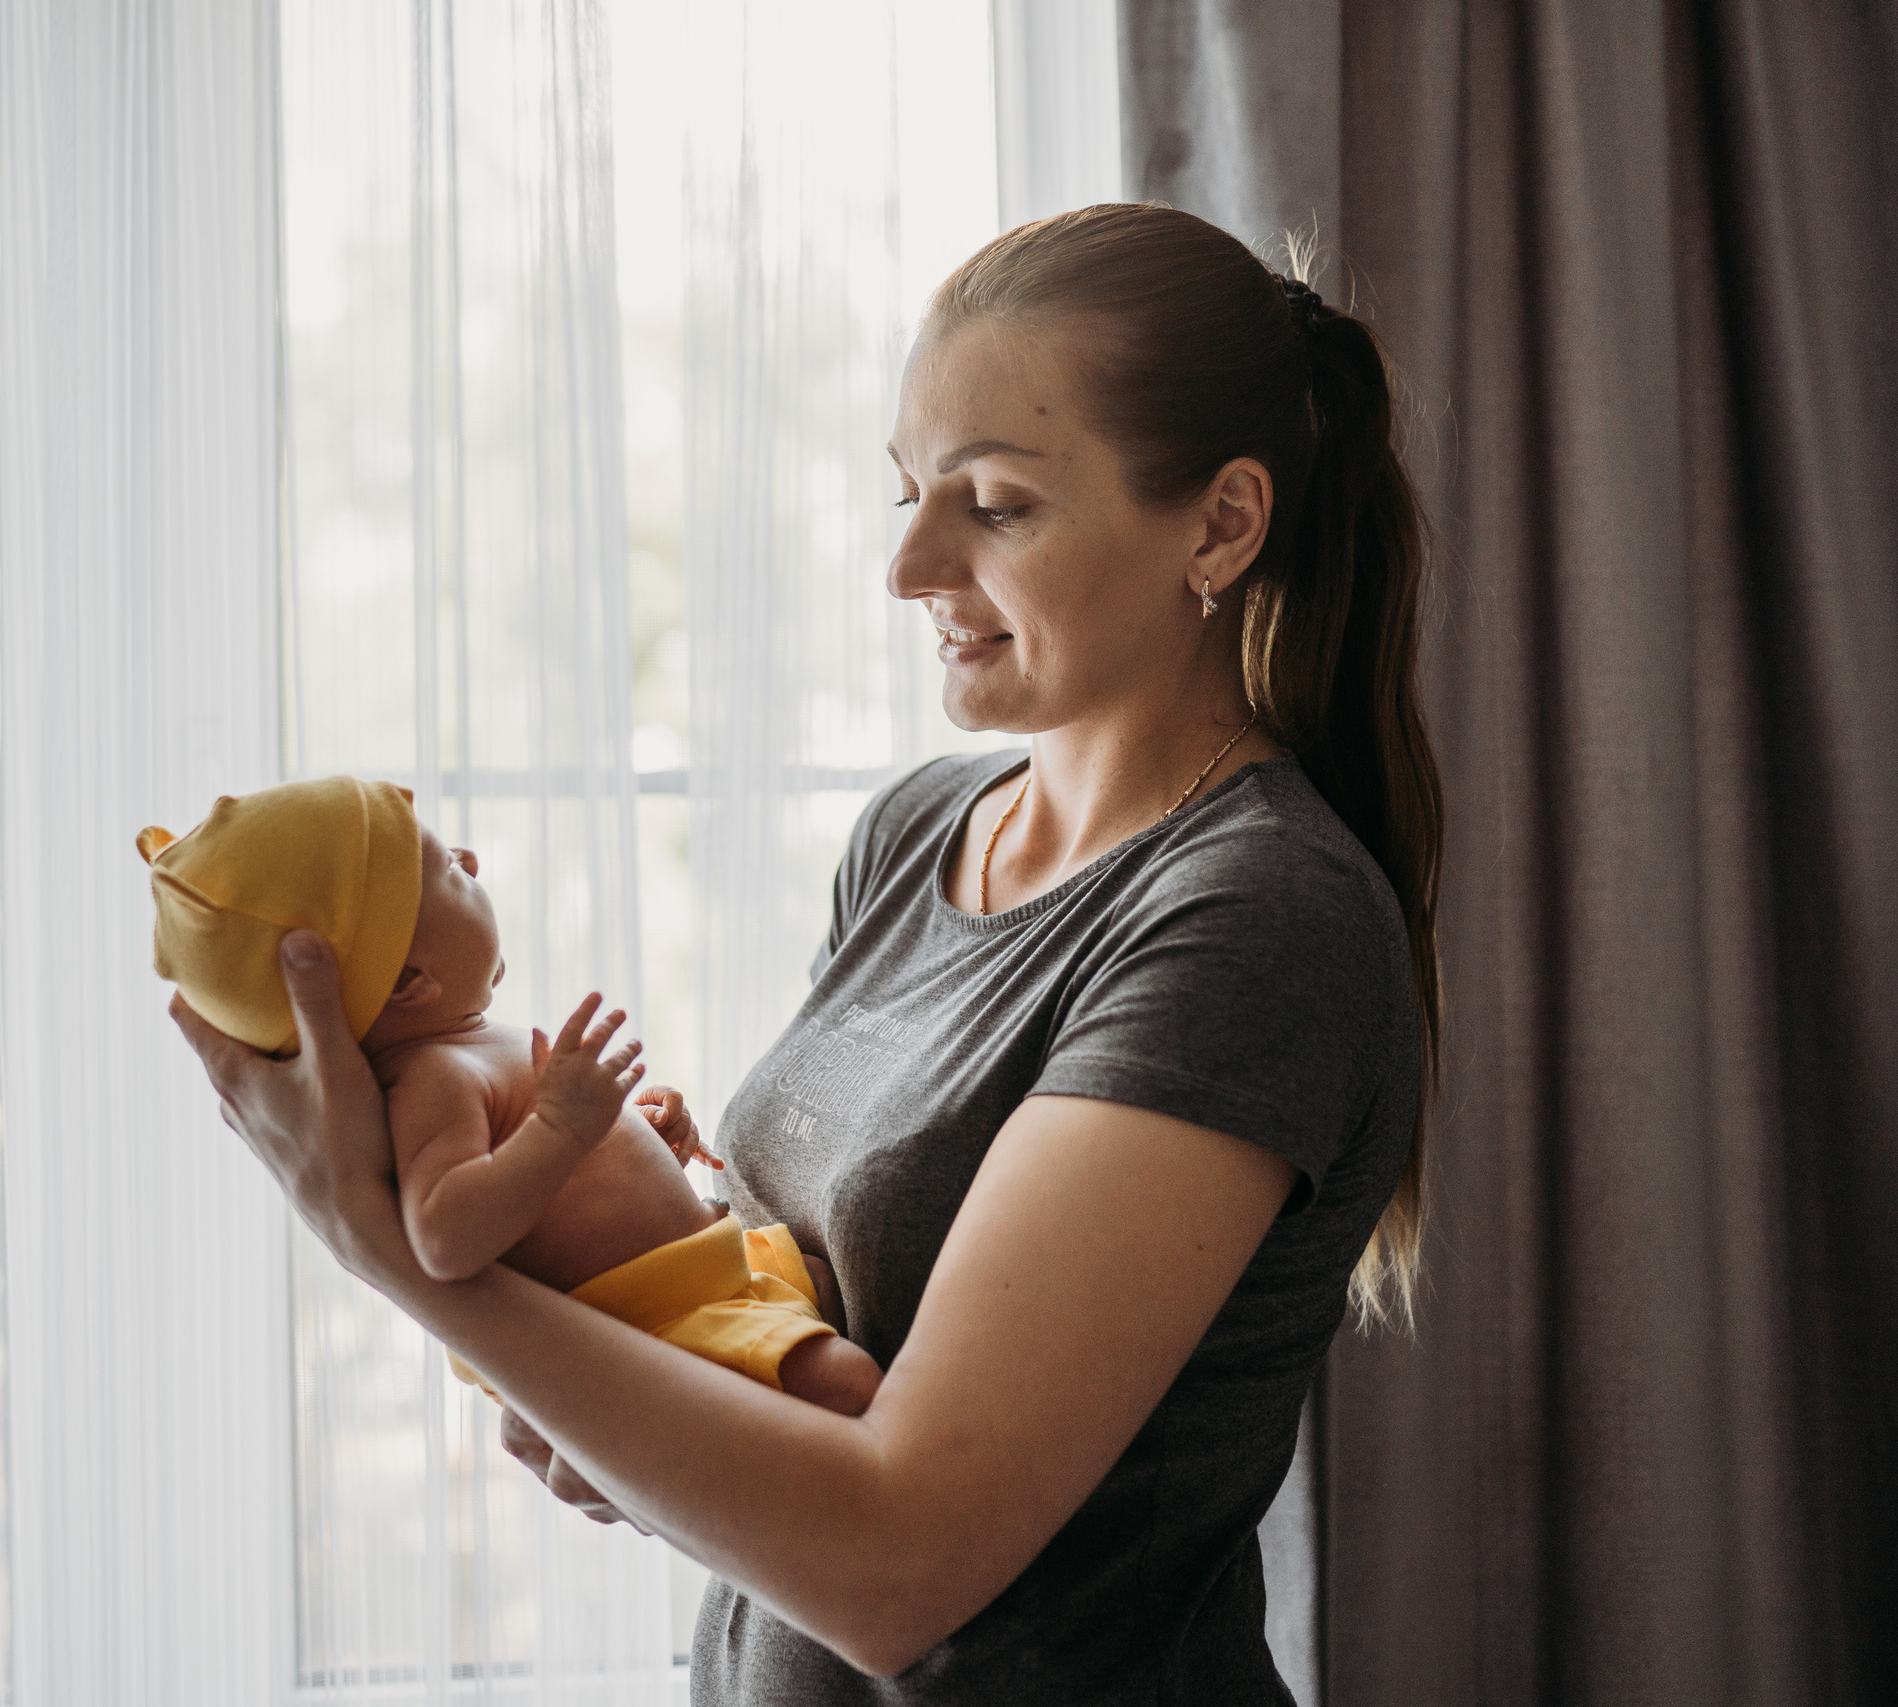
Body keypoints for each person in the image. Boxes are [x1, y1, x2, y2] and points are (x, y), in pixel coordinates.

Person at [173, 202, 1442, 1703]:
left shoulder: (1253, 919)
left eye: (997, 504)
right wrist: (600, 1365)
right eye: (907, 490)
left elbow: (900, 1564)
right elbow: (813, 1349)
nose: (908, 564)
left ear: (1220, 526)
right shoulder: (916, 832)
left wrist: (393, 1251)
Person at [140, 775, 879, 1415]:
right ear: (410, 981)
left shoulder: (473, 1047)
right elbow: (443, 1235)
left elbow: (557, 1204)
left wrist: (644, 1139)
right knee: (847, 1382)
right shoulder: (434, 1081)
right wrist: (562, 1127)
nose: (471, 860)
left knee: (829, 1282)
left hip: (710, 1276)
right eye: (448, 869)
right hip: (661, 1329)